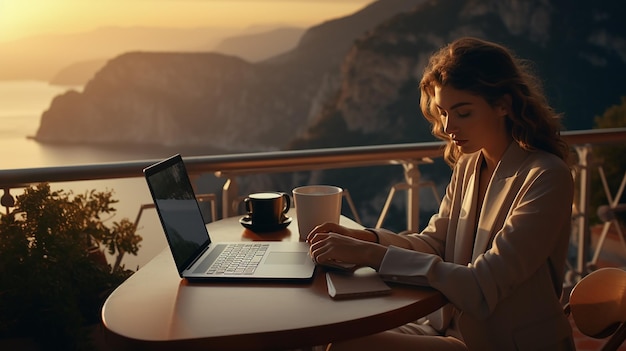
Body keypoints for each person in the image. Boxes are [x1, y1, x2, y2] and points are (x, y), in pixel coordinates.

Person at [308, 37, 575, 350]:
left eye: (463, 113)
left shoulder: (546, 176)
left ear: (504, 104)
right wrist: (367, 239)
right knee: (330, 332)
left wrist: (371, 256)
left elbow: (481, 286)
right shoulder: (469, 165)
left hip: (502, 343)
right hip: (443, 326)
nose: (449, 128)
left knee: (347, 346)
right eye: (443, 112)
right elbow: (436, 243)